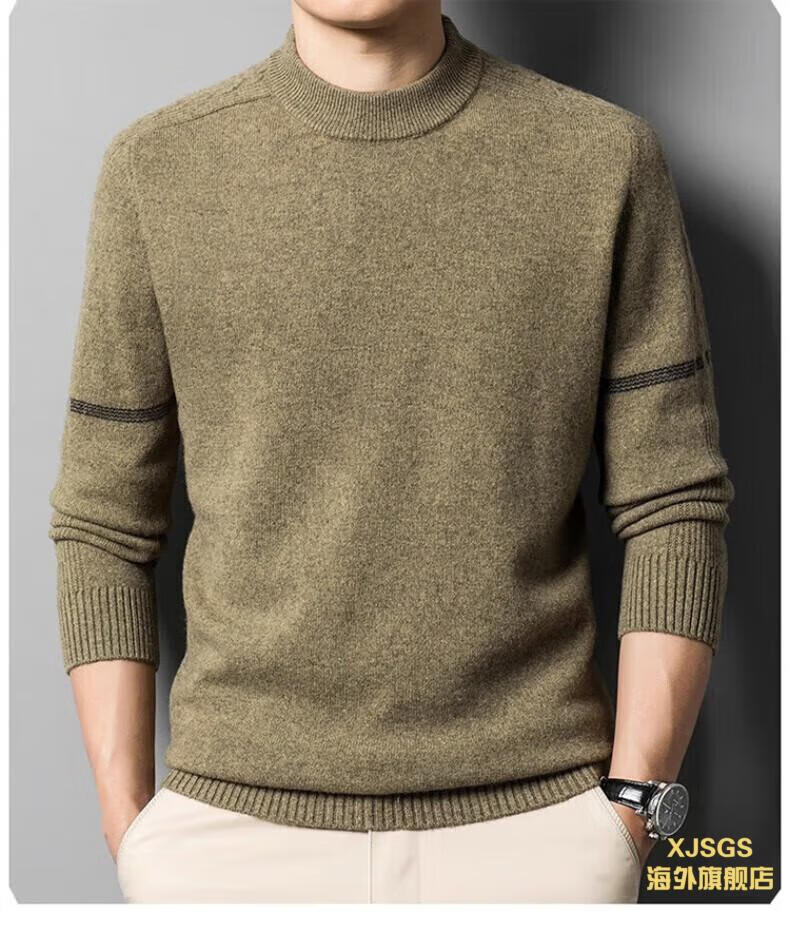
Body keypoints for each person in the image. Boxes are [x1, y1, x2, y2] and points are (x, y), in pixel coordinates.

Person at [48, 0, 734, 904]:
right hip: (226, 843)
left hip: (538, 835)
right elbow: (101, 519)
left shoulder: (603, 158)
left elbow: (675, 500)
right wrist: (130, 823)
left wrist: (632, 810)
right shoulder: (159, 167)